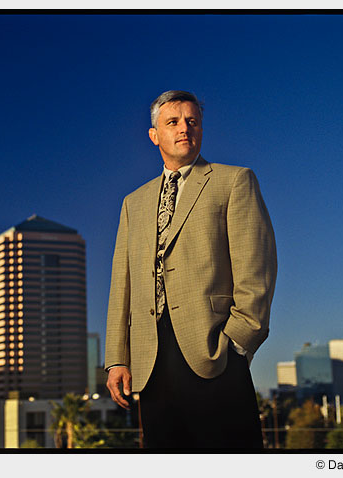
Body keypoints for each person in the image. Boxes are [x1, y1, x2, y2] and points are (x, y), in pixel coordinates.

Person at [104, 90, 277, 448]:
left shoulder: (234, 181)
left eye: (192, 121)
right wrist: (117, 358)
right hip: (151, 363)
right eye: (173, 122)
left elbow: (257, 271)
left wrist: (237, 345)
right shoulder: (132, 203)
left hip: (215, 353)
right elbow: (122, 285)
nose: (185, 128)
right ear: (154, 135)